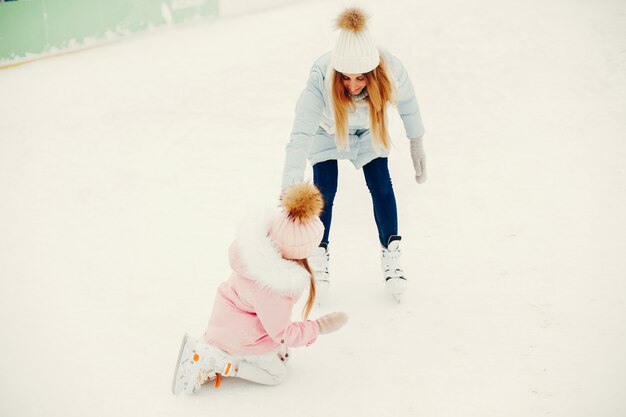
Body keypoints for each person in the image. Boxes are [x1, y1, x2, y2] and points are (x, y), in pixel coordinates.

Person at [281, 8, 427, 302]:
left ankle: (391, 253)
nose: (352, 85)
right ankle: (317, 256)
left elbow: (409, 103)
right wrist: (289, 190)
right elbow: (300, 136)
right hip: (327, 130)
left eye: (360, 78)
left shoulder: (390, 69)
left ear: (372, 73)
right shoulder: (321, 75)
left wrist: (416, 141)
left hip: (369, 128)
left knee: (381, 186)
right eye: (345, 79)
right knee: (325, 189)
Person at [172, 183, 349, 395]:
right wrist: (318, 327)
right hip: (240, 336)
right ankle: (221, 362)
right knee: (277, 375)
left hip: (224, 320)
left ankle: (214, 348)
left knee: (283, 356)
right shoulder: (274, 288)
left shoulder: (254, 256)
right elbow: (283, 333)